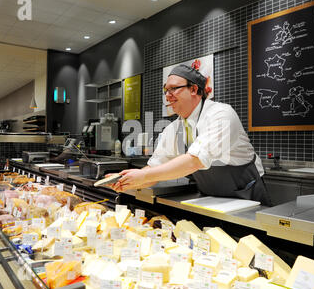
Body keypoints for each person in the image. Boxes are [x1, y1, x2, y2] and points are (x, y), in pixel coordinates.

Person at [111, 64, 272, 206]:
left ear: (194, 89)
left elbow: (194, 161)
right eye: (166, 90)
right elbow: (155, 168)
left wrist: (143, 175)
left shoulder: (221, 114)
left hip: (247, 199)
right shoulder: (173, 129)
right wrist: (126, 182)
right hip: (209, 200)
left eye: (173, 89)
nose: (167, 95)